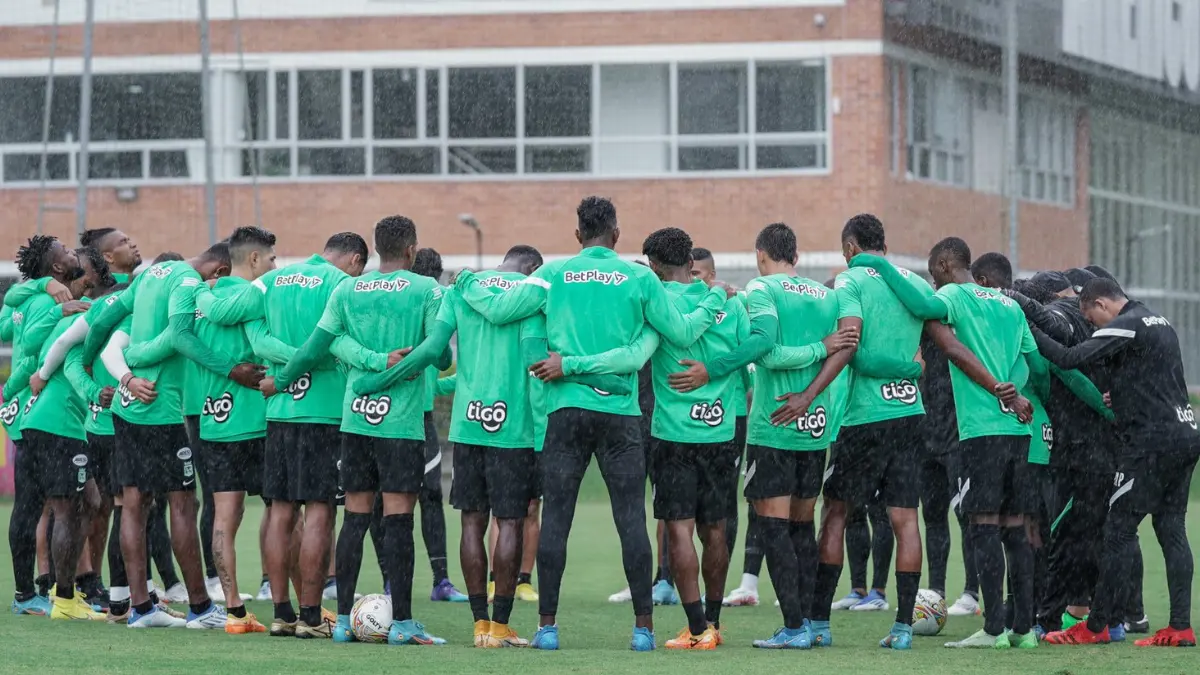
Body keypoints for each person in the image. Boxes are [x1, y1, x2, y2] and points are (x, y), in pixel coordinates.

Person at [450, 196, 730, 651]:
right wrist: (714, 296)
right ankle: (643, 629)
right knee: (630, 521)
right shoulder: (639, 276)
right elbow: (680, 332)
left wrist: (466, 280)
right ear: (616, 236)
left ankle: (547, 627)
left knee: (556, 518)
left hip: (567, 412)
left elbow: (500, 309)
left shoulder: (553, 274)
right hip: (619, 415)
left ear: (577, 235)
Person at [366, 244, 631, 647]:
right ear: (533, 268)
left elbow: (436, 351)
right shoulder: (529, 293)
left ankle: (478, 624)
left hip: (468, 424)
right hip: (514, 427)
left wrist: (380, 379)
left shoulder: (460, 291)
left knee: (471, 521)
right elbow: (534, 361)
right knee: (509, 522)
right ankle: (501, 625)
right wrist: (606, 379)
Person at [670, 223, 861, 648]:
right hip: (815, 424)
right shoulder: (826, 295)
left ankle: (794, 628)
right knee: (801, 527)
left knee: (772, 527)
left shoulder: (763, 290)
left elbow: (767, 350)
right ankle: (813, 624)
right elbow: (842, 347)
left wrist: (715, 369)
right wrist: (818, 362)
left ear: (761, 254)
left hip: (775, 423)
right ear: (795, 253)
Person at [850, 237, 1040, 649]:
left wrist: (880, 266)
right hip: (1018, 432)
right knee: (1015, 529)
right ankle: (1023, 630)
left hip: (982, 431)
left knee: (984, 527)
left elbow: (924, 310)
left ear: (942, 265)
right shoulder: (1009, 305)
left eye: (932, 273)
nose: (932, 282)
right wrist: (1016, 391)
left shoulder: (954, 294)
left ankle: (992, 631)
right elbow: (1028, 360)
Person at [268, 216, 450, 646]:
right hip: (400, 423)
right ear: (411, 250)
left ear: (377, 248)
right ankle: (402, 623)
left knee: (354, 518)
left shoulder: (346, 288)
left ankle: (347, 621)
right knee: (399, 519)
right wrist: (391, 366)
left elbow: (320, 344)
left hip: (354, 420)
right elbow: (438, 355)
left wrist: (280, 380)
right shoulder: (427, 290)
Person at [80, 240, 265, 629]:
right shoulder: (187, 281)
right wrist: (232, 370)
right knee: (182, 504)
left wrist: (107, 366)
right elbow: (182, 335)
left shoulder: (147, 277)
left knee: (133, 504)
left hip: (126, 410)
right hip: (160, 411)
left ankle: (142, 608)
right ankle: (200, 608)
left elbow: (101, 322)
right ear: (219, 271)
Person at [1037, 278, 1198, 648]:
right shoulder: (1158, 320)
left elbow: (1069, 358)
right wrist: (1121, 394)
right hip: (1185, 435)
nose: (1094, 327)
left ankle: (1095, 627)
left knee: (1118, 531)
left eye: (1092, 319)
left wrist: (1027, 329)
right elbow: (1153, 376)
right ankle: (1180, 627)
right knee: (1171, 528)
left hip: (1151, 445)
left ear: (1101, 305)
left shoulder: (1126, 323)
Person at [222, 232, 366, 637]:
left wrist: (285, 372)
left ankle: (282, 611)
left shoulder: (272, 281)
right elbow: (337, 344)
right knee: (320, 512)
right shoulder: (341, 284)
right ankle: (310, 615)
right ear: (353, 261)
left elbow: (257, 338)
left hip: (280, 411)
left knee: (281, 512)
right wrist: (308, 362)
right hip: (324, 410)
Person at [807, 214, 928, 650]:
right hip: (910, 412)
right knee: (905, 518)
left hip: (865, 417)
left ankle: (818, 622)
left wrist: (808, 393)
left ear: (851, 248)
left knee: (836, 512)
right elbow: (937, 331)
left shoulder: (851, 281)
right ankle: (902, 629)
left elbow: (850, 344)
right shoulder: (913, 283)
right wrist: (913, 367)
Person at [185, 226, 279, 633]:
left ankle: (234, 610)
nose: (275, 265)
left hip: (213, 418)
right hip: (255, 419)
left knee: (225, 515)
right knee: (283, 511)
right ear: (254, 259)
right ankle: (287, 604)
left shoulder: (200, 298)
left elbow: (188, 341)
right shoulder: (256, 296)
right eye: (272, 258)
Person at [11, 240, 102, 621]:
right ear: (58, 270)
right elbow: (35, 344)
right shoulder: (47, 303)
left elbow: (8, 323)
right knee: (59, 507)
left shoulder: (38, 295)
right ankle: (57, 594)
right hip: (47, 412)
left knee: (59, 504)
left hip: (34, 412)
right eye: (66, 249)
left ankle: (39, 591)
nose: (72, 251)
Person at [692, 247, 761, 610]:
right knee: (685, 511)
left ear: (713, 275)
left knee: (723, 507)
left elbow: (749, 353)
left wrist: (749, 390)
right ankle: (678, 584)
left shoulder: (733, 307)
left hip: (729, 417)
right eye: (690, 274)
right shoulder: (682, 308)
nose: (696, 280)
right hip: (684, 419)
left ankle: (717, 589)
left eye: (701, 274)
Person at [408, 248, 468, 604]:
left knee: (426, 496)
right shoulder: (427, 300)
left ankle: (440, 581)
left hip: (411, 414)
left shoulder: (434, 301)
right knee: (409, 498)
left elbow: (437, 367)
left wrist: (455, 382)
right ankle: (431, 581)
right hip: (404, 417)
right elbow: (443, 355)